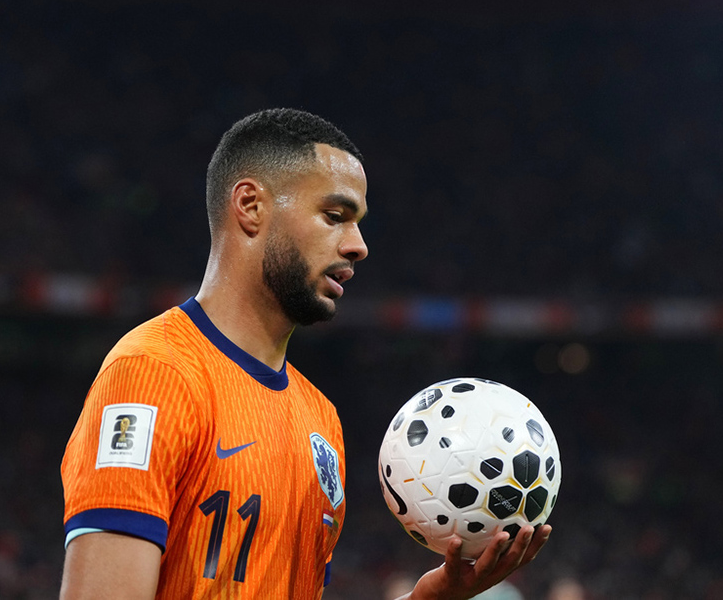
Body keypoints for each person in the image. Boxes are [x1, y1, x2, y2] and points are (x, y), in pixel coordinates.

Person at [59, 108, 551, 599]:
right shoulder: (153, 375)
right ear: (250, 206)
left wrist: (431, 598)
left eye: (358, 223)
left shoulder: (320, 420)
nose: (358, 245)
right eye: (335, 216)